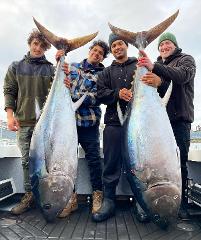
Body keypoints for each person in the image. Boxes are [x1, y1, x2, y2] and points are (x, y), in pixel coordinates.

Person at [92, 33, 152, 224]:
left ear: (126, 46)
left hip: (139, 125)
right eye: (114, 46)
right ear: (111, 50)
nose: (117, 47)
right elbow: (99, 94)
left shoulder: (138, 65)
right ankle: (109, 200)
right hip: (113, 124)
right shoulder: (105, 73)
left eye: (120, 44)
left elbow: (152, 86)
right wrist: (117, 93)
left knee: (141, 165)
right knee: (110, 163)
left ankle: (141, 201)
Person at [138, 32, 196, 219]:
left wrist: (155, 69)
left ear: (175, 45)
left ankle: (182, 204)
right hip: (157, 123)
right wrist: (155, 78)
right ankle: (148, 204)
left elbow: (181, 77)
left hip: (179, 120)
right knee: (151, 164)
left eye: (168, 43)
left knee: (179, 164)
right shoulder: (156, 66)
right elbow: (157, 88)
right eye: (161, 45)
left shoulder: (186, 60)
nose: (164, 47)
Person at [55, 40, 109, 218]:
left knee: (94, 161)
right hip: (68, 124)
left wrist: (74, 94)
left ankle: (97, 195)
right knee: (67, 162)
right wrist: (59, 61)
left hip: (89, 124)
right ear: (90, 50)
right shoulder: (73, 67)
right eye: (94, 50)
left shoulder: (103, 74)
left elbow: (96, 98)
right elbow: (59, 83)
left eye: (100, 53)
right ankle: (71, 199)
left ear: (103, 57)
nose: (96, 54)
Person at [3, 29, 54, 215]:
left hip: (45, 126)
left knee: (46, 162)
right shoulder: (16, 66)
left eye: (42, 45)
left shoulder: (51, 68)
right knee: (26, 162)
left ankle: (44, 196)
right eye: (35, 43)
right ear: (30, 43)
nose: (38, 48)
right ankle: (29, 195)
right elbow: (9, 90)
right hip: (24, 123)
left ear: (46, 48)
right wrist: (9, 116)